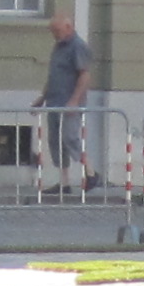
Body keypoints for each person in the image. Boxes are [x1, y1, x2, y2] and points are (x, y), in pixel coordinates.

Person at [39, 12, 96, 187]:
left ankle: (91, 172)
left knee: (70, 137)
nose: (54, 35)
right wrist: (42, 97)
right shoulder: (58, 47)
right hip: (54, 101)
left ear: (68, 28)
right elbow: (54, 75)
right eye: (52, 31)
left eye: (57, 31)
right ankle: (64, 183)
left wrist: (74, 100)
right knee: (55, 141)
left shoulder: (78, 46)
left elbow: (84, 75)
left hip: (69, 102)